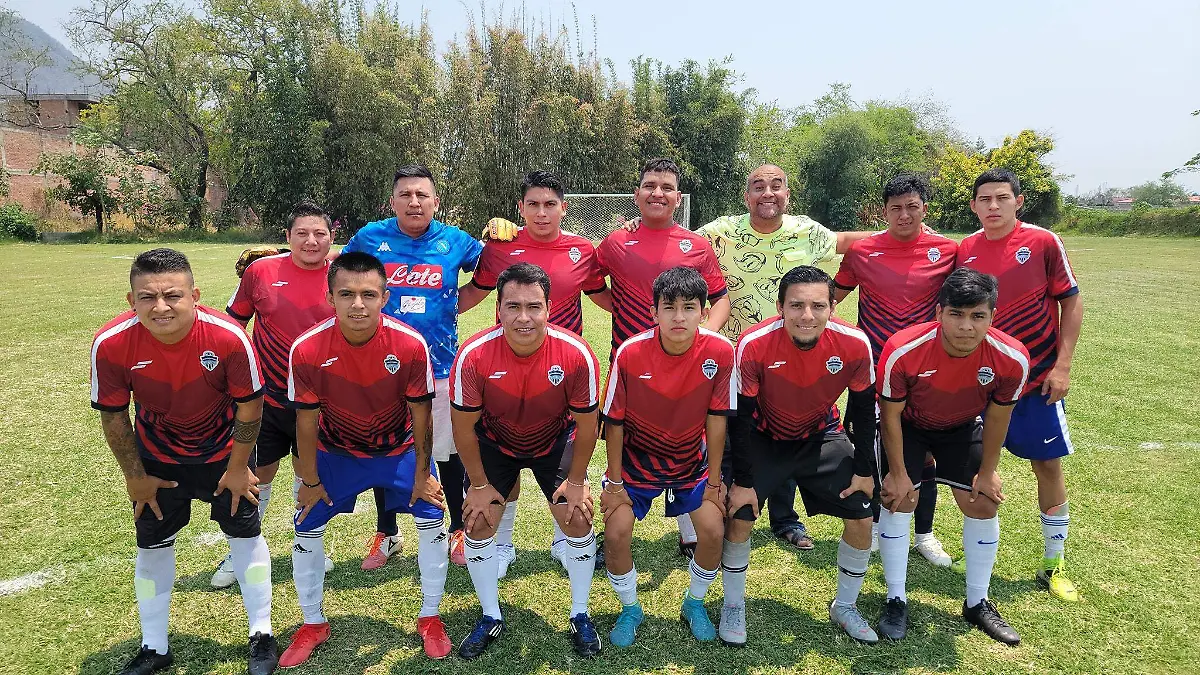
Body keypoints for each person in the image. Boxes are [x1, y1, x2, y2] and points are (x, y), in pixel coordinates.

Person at [90, 248, 277, 675]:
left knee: (245, 536)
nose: (160, 307)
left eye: (172, 295)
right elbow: (114, 416)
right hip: (158, 458)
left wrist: (237, 468)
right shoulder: (111, 343)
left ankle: (262, 634)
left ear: (195, 295)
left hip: (223, 457)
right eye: (147, 297)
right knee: (151, 544)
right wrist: (135, 477)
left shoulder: (229, 336)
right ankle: (154, 646)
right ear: (131, 301)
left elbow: (250, 407)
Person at [280, 252, 452, 665]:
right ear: (330, 297)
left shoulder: (409, 344)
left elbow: (422, 415)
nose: (358, 304)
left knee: (432, 517)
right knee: (305, 526)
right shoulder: (307, 348)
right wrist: (309, 480)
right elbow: (305, 422)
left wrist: (423, 472)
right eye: (347, 294)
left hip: (399, 451)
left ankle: (430, 616)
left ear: (385, 297)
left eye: (368, 294)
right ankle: (313, 623)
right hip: (336, 452)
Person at [458, 170, 611, 574]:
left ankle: (565, 541)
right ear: (520, 208)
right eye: (533, 204)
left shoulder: (582, 250)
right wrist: (423, 312)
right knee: (504, 447)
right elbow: (475, 291)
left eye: (550, 204)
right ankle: (503, 544)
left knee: (561, 448)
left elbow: (603, 297)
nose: (542, 213)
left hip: (561, 376)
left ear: (564, 208)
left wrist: (655, 320)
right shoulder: (500, 246)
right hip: (506, 370)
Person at [450, 263, 603, 658]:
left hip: (553, 441)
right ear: (497, 309)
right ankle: (490, 615)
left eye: (534, 306)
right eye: (513, 306)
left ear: (549, 308)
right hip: (495, 444)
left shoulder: (576, 353)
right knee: (478, 521)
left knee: (577, 516)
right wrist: (479, 486)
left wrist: (577, 481)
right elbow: (463, 430)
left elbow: (588, 426)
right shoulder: (473, 355)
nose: (523, 317)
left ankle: (580, 613)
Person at [722, 265, 878, 645]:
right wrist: (743, 482)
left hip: (820, 436)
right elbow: (739, 419)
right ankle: (733, 605)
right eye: (796, 305)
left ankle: (845, 606)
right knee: (740, 515)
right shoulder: (754, 343)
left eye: (818, 306)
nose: (807, 315)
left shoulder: (855, 344)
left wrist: (864, 471)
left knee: (862, 513)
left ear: (833, 308)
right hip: (763, 437)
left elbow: (863, 411)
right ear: (780, 307)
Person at [875, 268, 1029, 645]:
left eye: (978, 316)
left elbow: (998, 417)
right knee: (900, 498)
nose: (966, 326)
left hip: (961, 427)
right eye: (956, 314)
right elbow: (890, 415)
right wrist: (898, 473)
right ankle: (895, 598)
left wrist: (988, 471)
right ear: (939, 313)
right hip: (908, 426)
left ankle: (977, 602)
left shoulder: (1012, 358)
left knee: (983, 501)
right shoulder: (903, 348)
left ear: (992, 316)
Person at [341, 164, 484, 570]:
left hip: (439, 365)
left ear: (436, 201)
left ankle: (458, 527)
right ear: (393, 202)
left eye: (422, 195)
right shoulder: (370, 237)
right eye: (405, 194)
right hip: (380, 366)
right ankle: (388, 533)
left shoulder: (455, 240)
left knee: (447, 451)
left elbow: (493, 270)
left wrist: (456, 303)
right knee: (383, 448)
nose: (414, 202)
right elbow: (338, 272)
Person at [956, 168, 1083, 603]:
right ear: (973, 205)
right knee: (970, 464)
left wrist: (1062, 366)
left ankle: (1054, 563)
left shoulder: (1043, 242)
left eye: (1002, 198)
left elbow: (1071, 301)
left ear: (1018, 201)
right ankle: (971, 551)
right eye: (985, 199)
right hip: (978, 380)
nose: (993, 206)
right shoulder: (966, 249)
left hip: (1035, 380)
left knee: (1046, 466)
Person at [597, 158, 731, 558]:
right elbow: (588, 280)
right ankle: (615, 517)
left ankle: (690, 531)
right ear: (636, 194)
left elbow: (720, 298)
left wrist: (702, 338)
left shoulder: (697, 246)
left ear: (678, 198)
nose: (658, 193)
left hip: (687, 368)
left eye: (667, 187)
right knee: (624, 437)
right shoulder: (615, 242)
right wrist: (624, 313)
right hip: (632, 368)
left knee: (685, 437)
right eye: (650, 185)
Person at [599, 266, 734, 647]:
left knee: (713, 531)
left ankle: (694, 603)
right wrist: (614, 482)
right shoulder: (630, 352)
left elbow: (717, 419)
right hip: (637, 463)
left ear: (704, 312)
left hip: (690, 462)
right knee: (616, 532)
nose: (679, 317)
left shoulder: (720, 352)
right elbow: (614, 423)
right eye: (669, 307)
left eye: (689, 307)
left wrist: (714, 480)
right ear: (653, 312)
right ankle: (630, 608)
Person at [833, 174, 959, 566]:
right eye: (895, 208)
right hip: (874, 368)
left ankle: (924, 535)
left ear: (924, 209)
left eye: (912, 207)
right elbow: (831, 298)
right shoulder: (863, 251)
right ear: (883, 211)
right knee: (874, 447)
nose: (904, 215)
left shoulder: (947, 250)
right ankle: (873, 525)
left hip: (926, 370)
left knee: (925, 454)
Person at [212, 200, 336, 588]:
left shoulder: (342, 275)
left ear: (332, 238)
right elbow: (234, 324)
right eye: (302, 233)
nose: (311, 241)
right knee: (256, 474)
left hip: (318, 400)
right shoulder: (260, 271)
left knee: (309, 474)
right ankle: (241, 551)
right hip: (265, 398)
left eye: (320, 234)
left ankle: (309, 547)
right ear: (287, 236)